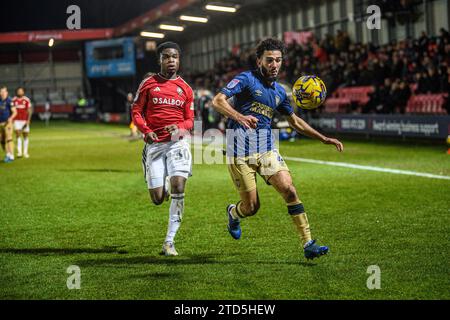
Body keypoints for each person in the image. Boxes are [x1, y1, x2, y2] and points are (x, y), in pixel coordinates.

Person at [212, 38, 344, 260]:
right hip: (239, 150)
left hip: (265, 147)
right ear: (259, 61)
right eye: (270, 60)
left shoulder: (280, 92)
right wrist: (240, 116)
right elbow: (218, 100)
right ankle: (234, 213)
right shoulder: (246, 79)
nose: (274, 65)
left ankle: (308, 243)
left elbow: (294, 121)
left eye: (278, 60)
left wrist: (323, 138)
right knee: (252, 207)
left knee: (290, 190)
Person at [132, 42, 195, 256]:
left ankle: (169, 241)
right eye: (167, 57)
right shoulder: (148, 84)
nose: (171, 61)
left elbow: (190, 121)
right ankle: (159, 178)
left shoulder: (186, 89)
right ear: (160, 60)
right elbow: (137, 110)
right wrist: (145, 130)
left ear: (179, 60)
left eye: (175, 57)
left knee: (179, 186)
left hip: (178, 143)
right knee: (158, 198)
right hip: (155, 144)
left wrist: (178, 127)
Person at [12, 87, 32, 158]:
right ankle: (19, 152)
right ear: (16, 92)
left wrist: (28, 120)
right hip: (16, 120)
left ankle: (25, 152)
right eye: (18, 91)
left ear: (23, 92)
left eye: (21, 91)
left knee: (25, 136)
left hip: (24, 120)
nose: (19, 92)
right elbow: (12, 110)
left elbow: (29, 110)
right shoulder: (13, 100)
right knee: (18, 135)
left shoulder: (26, 100)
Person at [0, 86, 17, 163]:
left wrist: (10, 118)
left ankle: (12, 156)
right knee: (2, 140)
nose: (2, 93)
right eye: (1, 92)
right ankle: (7, 155)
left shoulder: (9, 100)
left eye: (4, 92)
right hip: (0, 124)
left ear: (7, 92)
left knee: (9, 138)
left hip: (7, 123)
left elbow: (15, 112)